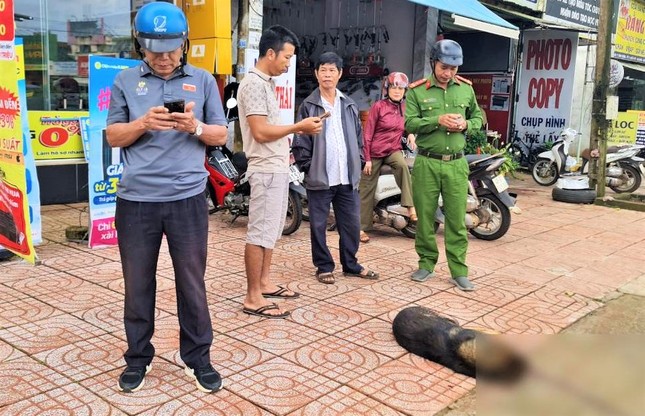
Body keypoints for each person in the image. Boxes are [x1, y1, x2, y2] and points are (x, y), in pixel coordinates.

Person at [106, 2, 227, 393]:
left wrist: (195, 126)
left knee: (192, 283)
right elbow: (113, 136)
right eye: (155, 49)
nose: (164, 57)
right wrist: (142, 123)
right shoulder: (125, 81)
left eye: (172, 48)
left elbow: (221, 136)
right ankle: (137, 358)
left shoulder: (204, 80)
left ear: (184, 43)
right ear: (140, 44)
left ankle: (198, 357)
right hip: (136, 201)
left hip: (187, 200)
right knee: (137, 283)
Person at [237, 25, 323, 318]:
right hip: (264, 169)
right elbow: (260, 132)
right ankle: (252, 297)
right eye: (286, 57)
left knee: (272, 230)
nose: (289, 63)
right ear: (270, 53)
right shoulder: (253, 84)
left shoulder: (268, 83)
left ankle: (263, 282)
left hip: (276, 167)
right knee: (259, 232)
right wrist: (299, 127)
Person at [404, 39, 483, 291]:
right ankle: (426, 264)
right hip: (427, 161)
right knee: (426, 217)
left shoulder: (465, 90)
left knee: (457, 219)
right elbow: (410, 124)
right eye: (444, 67)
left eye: (453, 68)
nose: (448, 73)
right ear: (433, 63)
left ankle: (458, 270)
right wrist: (437, 120)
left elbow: (479, 117)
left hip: (456, 165)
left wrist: (466, 125)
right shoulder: (417, 91)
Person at [293, 51, 378, 285]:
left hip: (346, 177)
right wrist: (308, 167)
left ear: (340, 74)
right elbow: (300, 140)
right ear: (316, 74)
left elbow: (359, 139)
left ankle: (350, 264)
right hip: (320, 175)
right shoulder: (309, 106)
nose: (327, 75)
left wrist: (359, 162)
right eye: (323, 70)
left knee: (351, 224)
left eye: (332, 70)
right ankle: (324, 266)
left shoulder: (348, 105)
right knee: (318, 225)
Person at [359, 71, 417, 243]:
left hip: (393, 149)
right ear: (387, 89)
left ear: (404, 91)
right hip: (375, 151)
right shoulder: (379, 106)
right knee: (366, 187)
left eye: (400, 88)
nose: (397, 91)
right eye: (393, 87)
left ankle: (410, 206)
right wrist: (367, 158)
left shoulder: (405, 108)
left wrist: (412, 134)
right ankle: (361, 228)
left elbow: (409, 124)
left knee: (402, 167)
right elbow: (367, 134)